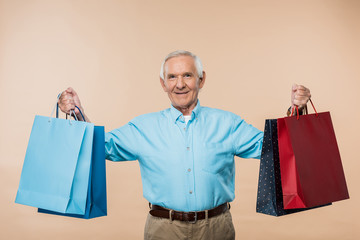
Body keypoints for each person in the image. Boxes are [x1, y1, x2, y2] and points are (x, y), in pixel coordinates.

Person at [58, 50, 311, 240]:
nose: (180, 84)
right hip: (162, 229)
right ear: (163, 83)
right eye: (172, 77)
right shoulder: (144, 127)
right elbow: (101, 147)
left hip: (217, 228)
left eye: (187, 75)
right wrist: (78, 113)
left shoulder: (228, 123)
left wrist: (295, 111)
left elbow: (272, 148)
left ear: (201, 79)